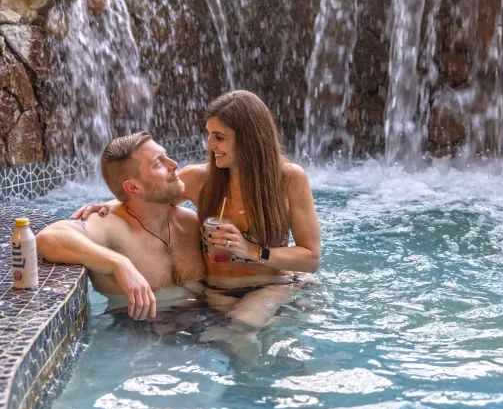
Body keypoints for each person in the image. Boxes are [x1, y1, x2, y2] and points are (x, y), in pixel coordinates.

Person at [73, 90, 321, 328]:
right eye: (209, 134)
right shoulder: (198, 179)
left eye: (220, 137)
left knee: (241, 327)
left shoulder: (289, 178)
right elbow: (150, 193)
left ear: (249, 139)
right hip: (217, 293)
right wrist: (110, 205)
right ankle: (280, 323)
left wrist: (253, 251)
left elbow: (311, 258)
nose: (209, 144)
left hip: (272, 284)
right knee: (219, 337)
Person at [36, 131, 205, 321]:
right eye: (159, 163)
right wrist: (119, 264)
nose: (173, 164)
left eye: (166, 156)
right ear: (133, 188)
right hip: (140, 337)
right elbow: (49, 237)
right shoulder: (113, 227)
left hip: (207, 324)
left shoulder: (190, 224)